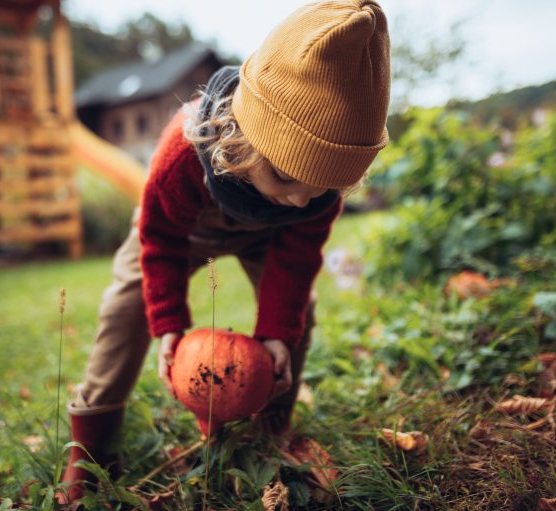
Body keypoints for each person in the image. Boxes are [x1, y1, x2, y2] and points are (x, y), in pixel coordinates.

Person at [59, 0, 391, 501]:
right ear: (244, 138)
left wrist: (277, 334)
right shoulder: (182, 155)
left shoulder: (311, 195)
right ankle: (90, 443)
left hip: (268, 235)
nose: (302, 198)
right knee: (125, 305)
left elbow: (296, 261)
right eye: (284, 175)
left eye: (320, 187)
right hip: (178, 229)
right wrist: (168, 323)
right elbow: (160, 241)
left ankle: (269, 429)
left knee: (297, 314)